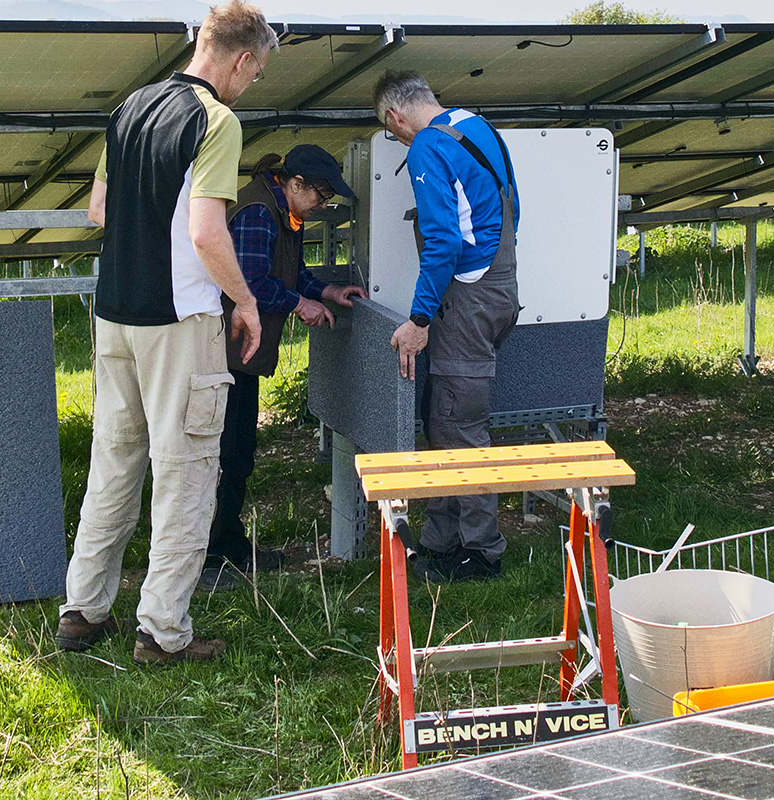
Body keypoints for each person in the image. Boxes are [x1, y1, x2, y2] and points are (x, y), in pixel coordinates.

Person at [55, 0, 276, 665]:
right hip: (179, 322)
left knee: (113, 465)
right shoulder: (217, 120)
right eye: (257, 71)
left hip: (114, 313)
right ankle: (163, 632)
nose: (252, 83)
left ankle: (83, 611)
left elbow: (98, 209)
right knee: (186, 475)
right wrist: (246, 302)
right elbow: (208, 234)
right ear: (241, 59)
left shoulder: (130, 108)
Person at [372, 69, 521, 583]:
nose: (398, 140)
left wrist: (419, 318)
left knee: (460, 426)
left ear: (395, 116)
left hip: (467, 298)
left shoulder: (427, 148)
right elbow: (509, 210)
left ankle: (482, 553)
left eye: (392, 134)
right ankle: (442, 541)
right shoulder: (478, 127)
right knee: (446, 417)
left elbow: (442, 244)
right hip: (500, 286)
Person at [203, 145, 367, 589]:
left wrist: (325, 292)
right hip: (225, 352)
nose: (322, 206)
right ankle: (211, 554)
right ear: (295, 184)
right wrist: (301, 304)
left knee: (237, 450)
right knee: (227, 453)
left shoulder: (278, 209)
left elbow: (286, 273)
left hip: (238, 352)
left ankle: (226, 541)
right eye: (320, 196)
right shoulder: (259, 214)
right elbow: (252, 285)